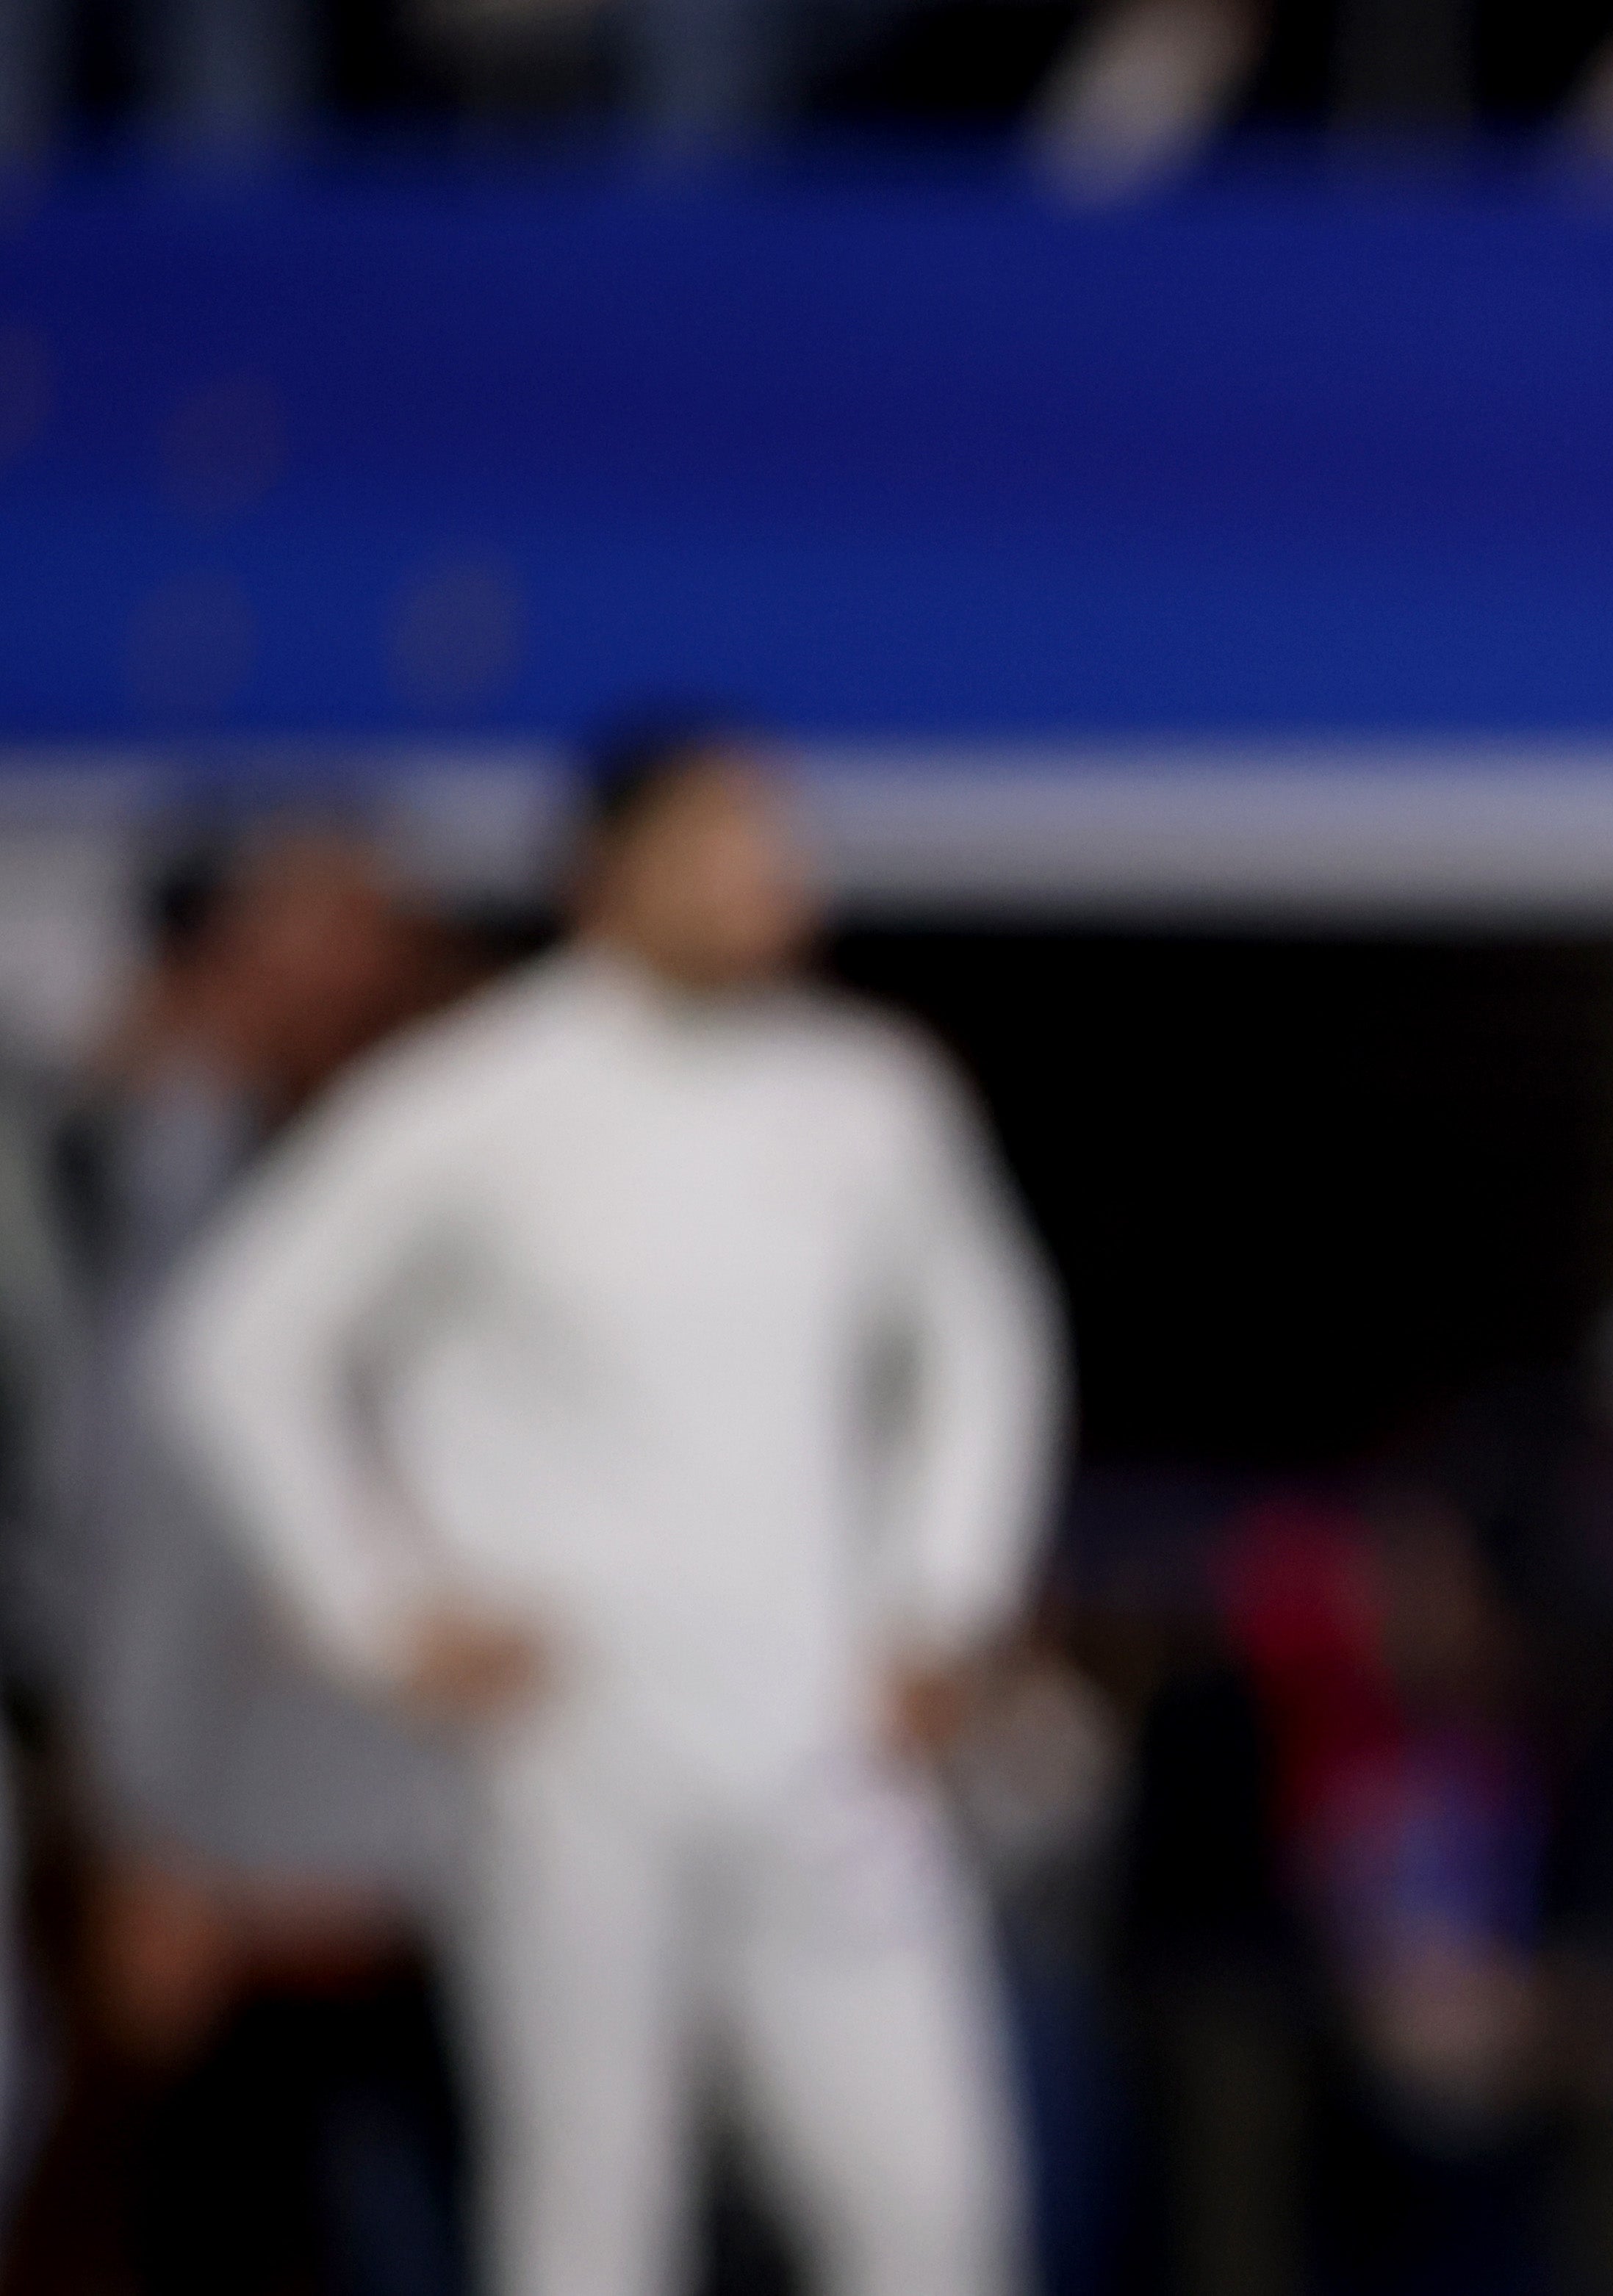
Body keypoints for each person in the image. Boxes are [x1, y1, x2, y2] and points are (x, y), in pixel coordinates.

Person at [162, 723, 1067, 2296]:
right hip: (580, 1750)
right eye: (718, 840)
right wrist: (384, 1609)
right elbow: (237, 1343)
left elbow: (985, 1347)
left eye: (773, 840)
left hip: (828, 1740)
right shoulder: (479, 1102)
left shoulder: (867, 1100)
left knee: (930, 2202)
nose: (763, 876)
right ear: (605, 873)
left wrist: (945, 1600)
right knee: (592, 2209)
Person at [53, 821, 473, 2296]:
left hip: (486, 1863)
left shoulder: (477, 1158)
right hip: (266, 1865)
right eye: (298, 934)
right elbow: (135, 1548)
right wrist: (149, 1836)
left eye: (365, 928)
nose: (339, 968)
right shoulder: (184, 1206)